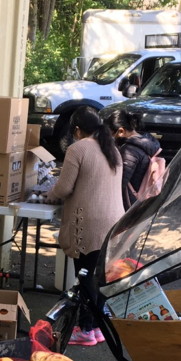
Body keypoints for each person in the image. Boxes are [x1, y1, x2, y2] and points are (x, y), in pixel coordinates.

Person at [46, 106, 125, 346]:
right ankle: (98, 327)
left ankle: (87, 329)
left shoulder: (77, 149)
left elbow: (63, 188)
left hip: (89, 223)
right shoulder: (111, 148)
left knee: (86, 276)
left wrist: (48, 194)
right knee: (97, 276)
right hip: (114, 221)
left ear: (77, 129)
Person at [109, 109, 161, 209]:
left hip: (128, 202)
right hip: (141, 198)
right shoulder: (146, 142)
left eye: (111, 133)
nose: (111, 137)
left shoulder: (129, 151)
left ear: (120, 131)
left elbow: (119, 183)